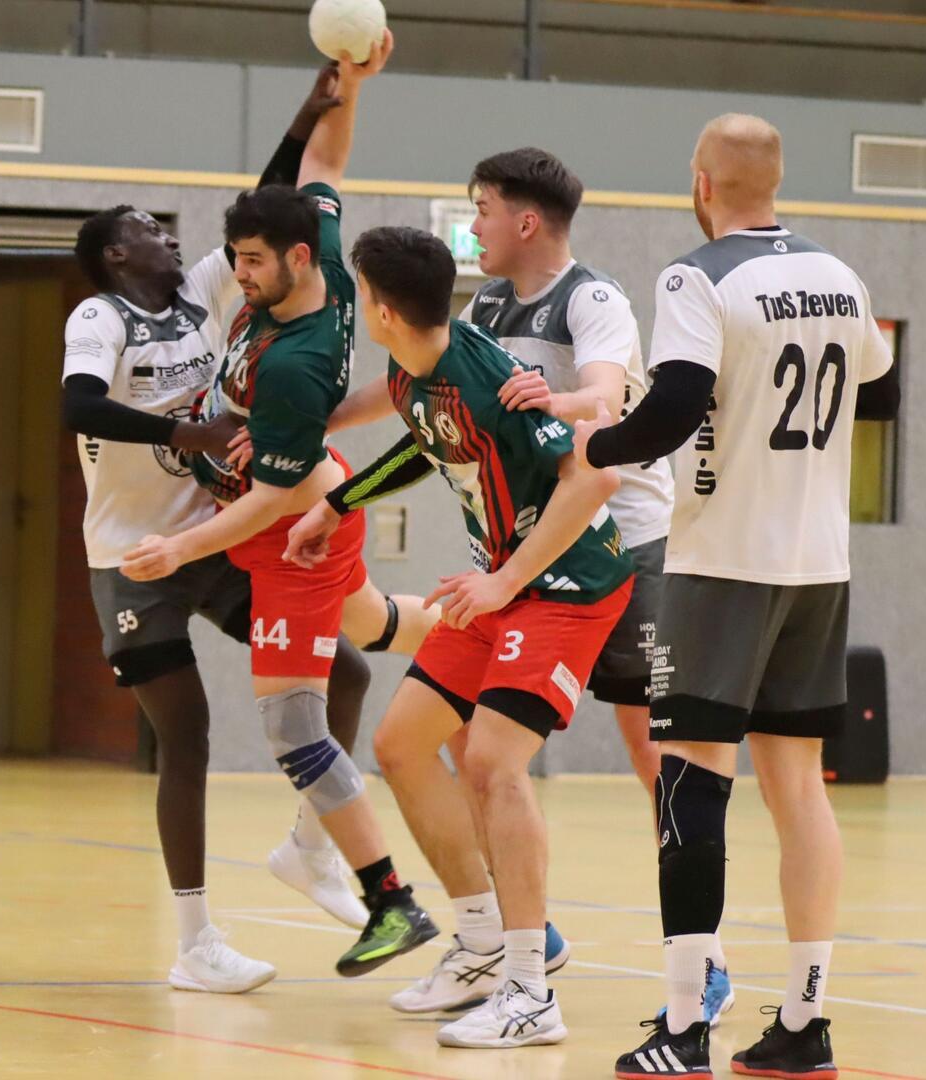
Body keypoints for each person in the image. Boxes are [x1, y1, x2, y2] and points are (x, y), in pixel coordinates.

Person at [319, 147, 720, 1020]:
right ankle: (498, 935)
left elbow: (608, 406)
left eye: (483, 210)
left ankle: (697, 952)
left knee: (656, 760)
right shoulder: (481, 308)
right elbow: (430, 410)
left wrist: (554, 401)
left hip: (618, 546)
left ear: (524, 220)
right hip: (519, 550)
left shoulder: (592, 298)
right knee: (444, 744)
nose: (473, 226)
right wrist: (313, 432)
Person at [62, 65, 431, 994]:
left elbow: (268, 222)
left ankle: (311, 848)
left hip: (217, 532)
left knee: (344, 670)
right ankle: (195, 943)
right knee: (185, 736)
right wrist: (179, 429)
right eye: (144, 226)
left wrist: (314, 110)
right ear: (115, 255)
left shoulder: (203, 295)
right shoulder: (98, 315)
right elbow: (75, 406)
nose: (166, 232)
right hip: (134, 555)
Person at [287, 224, 632, 1048]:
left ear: (378, 305)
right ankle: (479, 945)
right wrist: (335, 502)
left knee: (491, 763)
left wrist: (506, 581)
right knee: (404, 744)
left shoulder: (487, 379)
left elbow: (597, 474)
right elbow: (422, 443)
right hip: (499, 588)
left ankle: (529, 990)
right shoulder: (417, 369)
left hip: (565, 585)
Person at [603, 114, 897, 1080]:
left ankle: (685, 1030)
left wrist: (599, 446)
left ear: (700, 181)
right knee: (799, 787)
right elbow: (879, 386)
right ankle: (805, 1025)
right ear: (777, 180)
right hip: (818, 567)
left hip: (724, 565)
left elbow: (677, 403)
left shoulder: (697, 277)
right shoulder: (843, 278)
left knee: (689, 773)